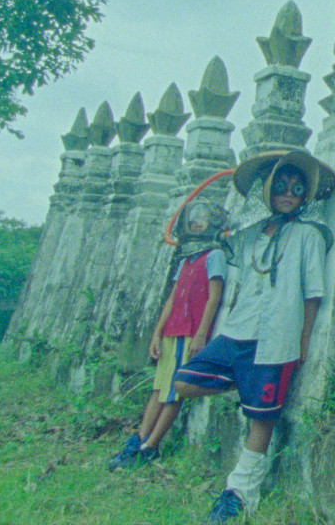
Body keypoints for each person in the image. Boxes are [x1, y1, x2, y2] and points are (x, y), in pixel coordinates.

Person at [172, 149, 335, 523]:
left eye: (297, 188)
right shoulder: (249, 236)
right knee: (184, 382)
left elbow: (312, 293)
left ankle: (239, 494)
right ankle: (243, 384)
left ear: (305, 195)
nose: (288, 194)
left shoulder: (309, 235)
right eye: (280, 186)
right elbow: (239, 282)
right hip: (237, 330)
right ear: (266, 191)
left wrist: (303, 341)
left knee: (262, 419)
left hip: (278, 337)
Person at [106, 199, 228, 470]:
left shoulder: (215, 255)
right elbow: (173, 297)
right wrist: (157, 333)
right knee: (158, 389)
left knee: (174, 393)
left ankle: (151, 447)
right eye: (193, 217)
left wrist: (200, 336)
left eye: (204, 217)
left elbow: (214, 298)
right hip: (173, 331)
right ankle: (138, 440)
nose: (197, 222)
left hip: (190, 333)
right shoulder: (186, 257)